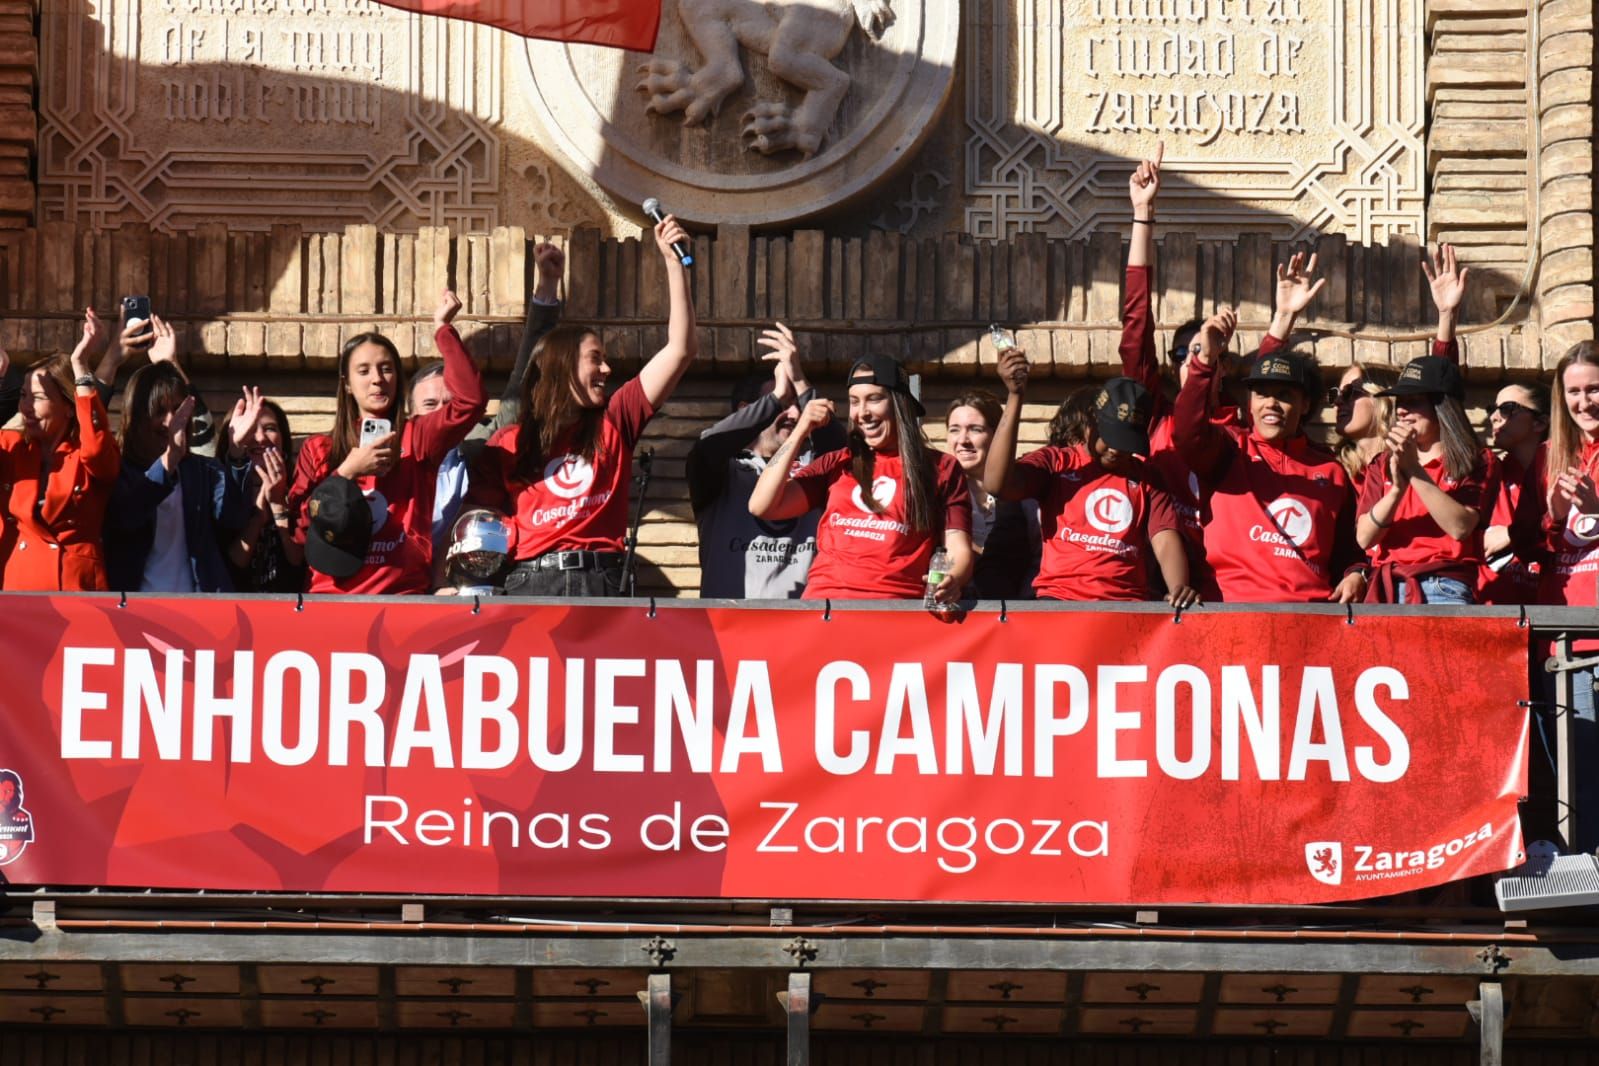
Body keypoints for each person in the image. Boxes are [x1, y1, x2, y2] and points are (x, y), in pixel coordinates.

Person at [468, 216, 696, 596]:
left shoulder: (617, 419)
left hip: (601, 580)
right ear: (561, 366)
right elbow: (479, 525)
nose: (607, 369)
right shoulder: (506, 442)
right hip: (529, 581)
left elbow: (681, 350)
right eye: (595, 358)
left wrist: (674, 265)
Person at [1173, 255, 1368, 603]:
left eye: (1284, 396)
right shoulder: (1229, 451)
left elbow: (1348, 553)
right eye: (1261, 394)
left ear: (1305, 405)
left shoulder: (1332, 471)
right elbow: (1187, 432)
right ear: (1249, 403)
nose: (1271, 404)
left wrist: (1355, 573)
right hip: (1233, 618)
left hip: (1310, 623)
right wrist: (1204, 360)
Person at [287, 289, 487, 593]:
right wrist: (346, 474)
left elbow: (471, 402)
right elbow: (300, 534)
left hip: (403, 599)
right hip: (331, 599)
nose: (377, 379)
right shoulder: (319, 448)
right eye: (363, 371)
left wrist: (442, 329)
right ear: (348, 385)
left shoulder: (419, 436)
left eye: (386, 368)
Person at [749, 353, 973, 603]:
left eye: (874, 399)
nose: (862, 412)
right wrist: (800, 432)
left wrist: (955, 577)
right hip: (826, 609)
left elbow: (957, 545)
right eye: (854, 402)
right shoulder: (837, 462)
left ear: (900, 404)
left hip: (896, 611)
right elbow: (761, 505)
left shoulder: (941, 466)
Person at [985, 349, 1195, 605]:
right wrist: (1015, 396)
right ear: (1090, 424)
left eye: (1128, 442)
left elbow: (1164, 538)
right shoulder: (1057, 462)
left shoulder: (1148, 477)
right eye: (1112, 438)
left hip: (1127, 611)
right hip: (1060, 603)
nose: (1118, 449)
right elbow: (997, 485)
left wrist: (1179, 587)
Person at [423, 241, 566, 588]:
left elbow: (525, 381)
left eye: (450, 403)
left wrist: (546, 289)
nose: (443, 413)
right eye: (430, 406)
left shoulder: (483, 449)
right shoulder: (393, 457)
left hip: (477, 599)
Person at [688, 322, 845, 599]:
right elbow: (706, 447)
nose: (795, 415)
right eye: (785, 406)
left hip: (803, 627)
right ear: (748, 412)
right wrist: (775, 399)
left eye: (797, 406)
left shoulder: (815, 469)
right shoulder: (726, 472)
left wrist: (799, 380)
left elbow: (843, 453)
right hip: (729, 627)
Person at [105, 345, 254, 593]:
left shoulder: (201, 470)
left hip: (196, 609)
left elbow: (233, 518)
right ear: (138, 416)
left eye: (178, 409)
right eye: (160, 411)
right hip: (136, 610)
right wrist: (168, 462)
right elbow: (126, 518)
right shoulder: (118, 469)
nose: (171, 421)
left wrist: (237, 452)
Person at [1354, 355, 1488, 603]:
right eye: (1400, 403)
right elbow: (1364, 538)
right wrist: (1396, 490)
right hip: (1387, 587)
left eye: (1414, 402)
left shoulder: (1477, 460)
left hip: (1444, 587)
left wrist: (1414, 470)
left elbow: (1460, 528)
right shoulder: (1381, 463)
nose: (1402, 411)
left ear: (1442, 408)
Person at [0, 312, 120, 590]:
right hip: (19, 587)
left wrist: (80, 368)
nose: (26, 407)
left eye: (39, 397)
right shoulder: (13, 446)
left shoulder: (87, 452)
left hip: (76, 587)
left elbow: (97, 452)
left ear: (68, 406)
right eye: (23, 396)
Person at [945, 390, 1039, 599]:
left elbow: (1038, 560)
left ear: (998, 435)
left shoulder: (1023, 493)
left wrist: (1025, 606)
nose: (963, 440)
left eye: (975, 430)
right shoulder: (938, 492)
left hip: (1012, 615)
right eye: (954, 430)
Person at [226, 395, 307, 594]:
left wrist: (279, 505)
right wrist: (258, 517)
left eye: (270, 428)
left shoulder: (302, 491)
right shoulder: (220, 489)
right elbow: (232, 565)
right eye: (252, 427)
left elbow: (298, 561)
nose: (260, 437)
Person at [1479, 381, 1549, 604]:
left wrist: (1510, 534)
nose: (1494, 417)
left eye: (1507, 408)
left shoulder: (1567, 473)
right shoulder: (1488, 473)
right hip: (1492, 606)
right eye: (1492, 409)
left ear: (1540, 422)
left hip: (1553, 608)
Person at [1330, 362, 1400, 482]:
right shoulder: (1330, 468)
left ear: (1383, 398)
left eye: (1348, 392)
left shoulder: (1411, 466)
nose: (1337, 401)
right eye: (1335, 394)